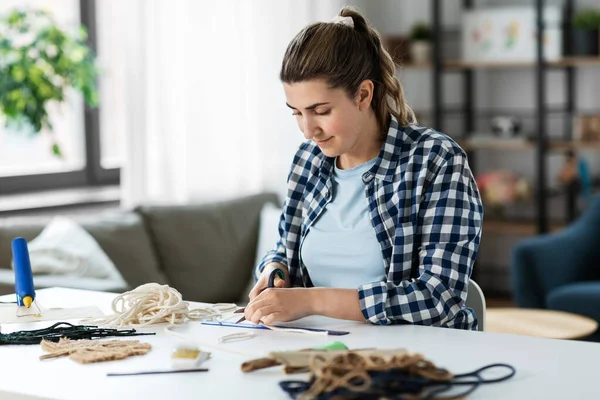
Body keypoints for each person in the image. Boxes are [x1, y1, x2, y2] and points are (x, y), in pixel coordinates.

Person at [244, 7, 483, 330]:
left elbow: (438, 298)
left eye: (321, 111)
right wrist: (275, 269)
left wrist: (310, 300)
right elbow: (285, 250)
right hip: (319, 351)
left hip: (416, 356)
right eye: (297, 113)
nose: (307, 130)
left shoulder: (435, 160)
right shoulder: (307, 160)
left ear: (363, 94)